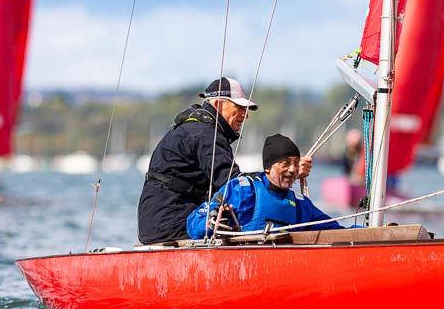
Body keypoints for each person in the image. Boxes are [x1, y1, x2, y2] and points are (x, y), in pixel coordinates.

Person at [137, 77, 312, 244]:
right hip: (170, 223)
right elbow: (234, 183)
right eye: (240, 108)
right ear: (219, 104)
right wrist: (289, 173)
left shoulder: (197, 128)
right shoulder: (206, 134)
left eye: (246, 110)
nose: (245, 115)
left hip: (158, 220)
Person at [187, 134, 341, 239]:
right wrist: (211, 223)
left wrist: (364, 229)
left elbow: (334, 230)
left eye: (296, 162)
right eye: (286, 163)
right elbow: (194, 222)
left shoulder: (300, 204)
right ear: (268, 167)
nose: (293, 169)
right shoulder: (242, 190)